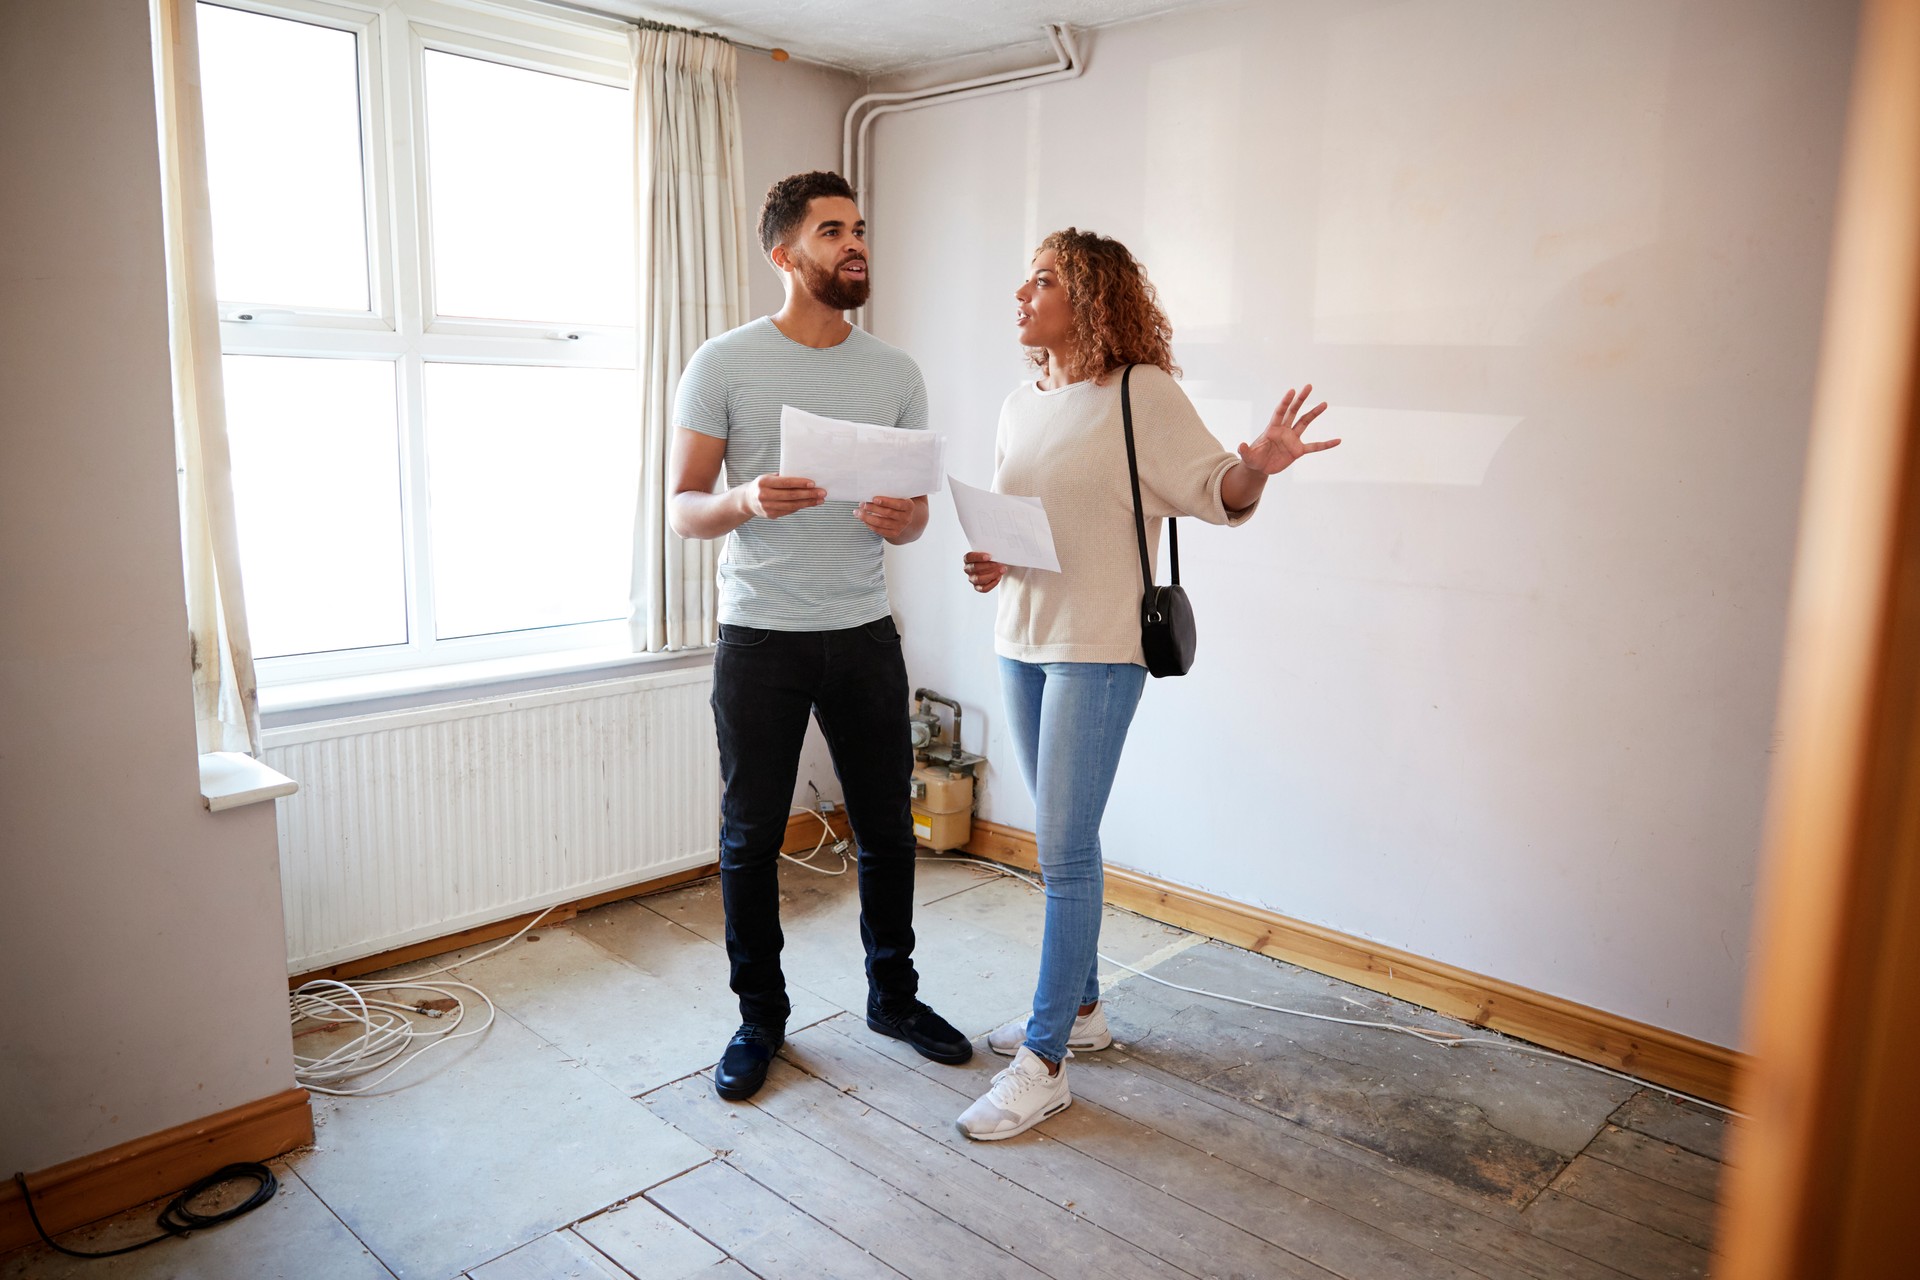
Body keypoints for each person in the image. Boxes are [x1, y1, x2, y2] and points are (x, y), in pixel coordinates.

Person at [954, 228, 1338, 1140]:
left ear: (1089, 300)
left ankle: (1043, 1062)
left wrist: (1259, 464)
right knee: (1057, 844)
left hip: (1100, 644)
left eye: (1043, 280)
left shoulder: (1140, 393)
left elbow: (1218, 488)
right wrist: (990, 561)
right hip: (1021, 637)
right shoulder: (1019, 403)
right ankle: (1083, 1014)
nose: (1022, 293)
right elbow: (1037, 525)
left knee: (1065, 847)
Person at [668, 170, 971, 1102]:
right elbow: (684, 509)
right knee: (750, 837)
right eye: (833, 230)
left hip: (865, 633)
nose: (855, 244)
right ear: (784, 254)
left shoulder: (896, 374)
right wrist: (746, 499)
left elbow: (917, 515)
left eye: (860, 228)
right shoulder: (721, 363)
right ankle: (760, 1018)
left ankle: (894, 997)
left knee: (887, 829)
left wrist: (901, 521)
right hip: (760, 637)